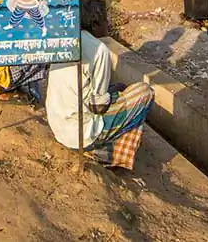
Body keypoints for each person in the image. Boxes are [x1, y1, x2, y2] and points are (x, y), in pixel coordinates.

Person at [46, 30, 154, 170]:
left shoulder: (63, 37)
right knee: (145, 93)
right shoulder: (99, 49)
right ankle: (109, 154)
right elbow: (98, 107)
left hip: (59, 128)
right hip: (81, 136)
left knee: (117, 88)